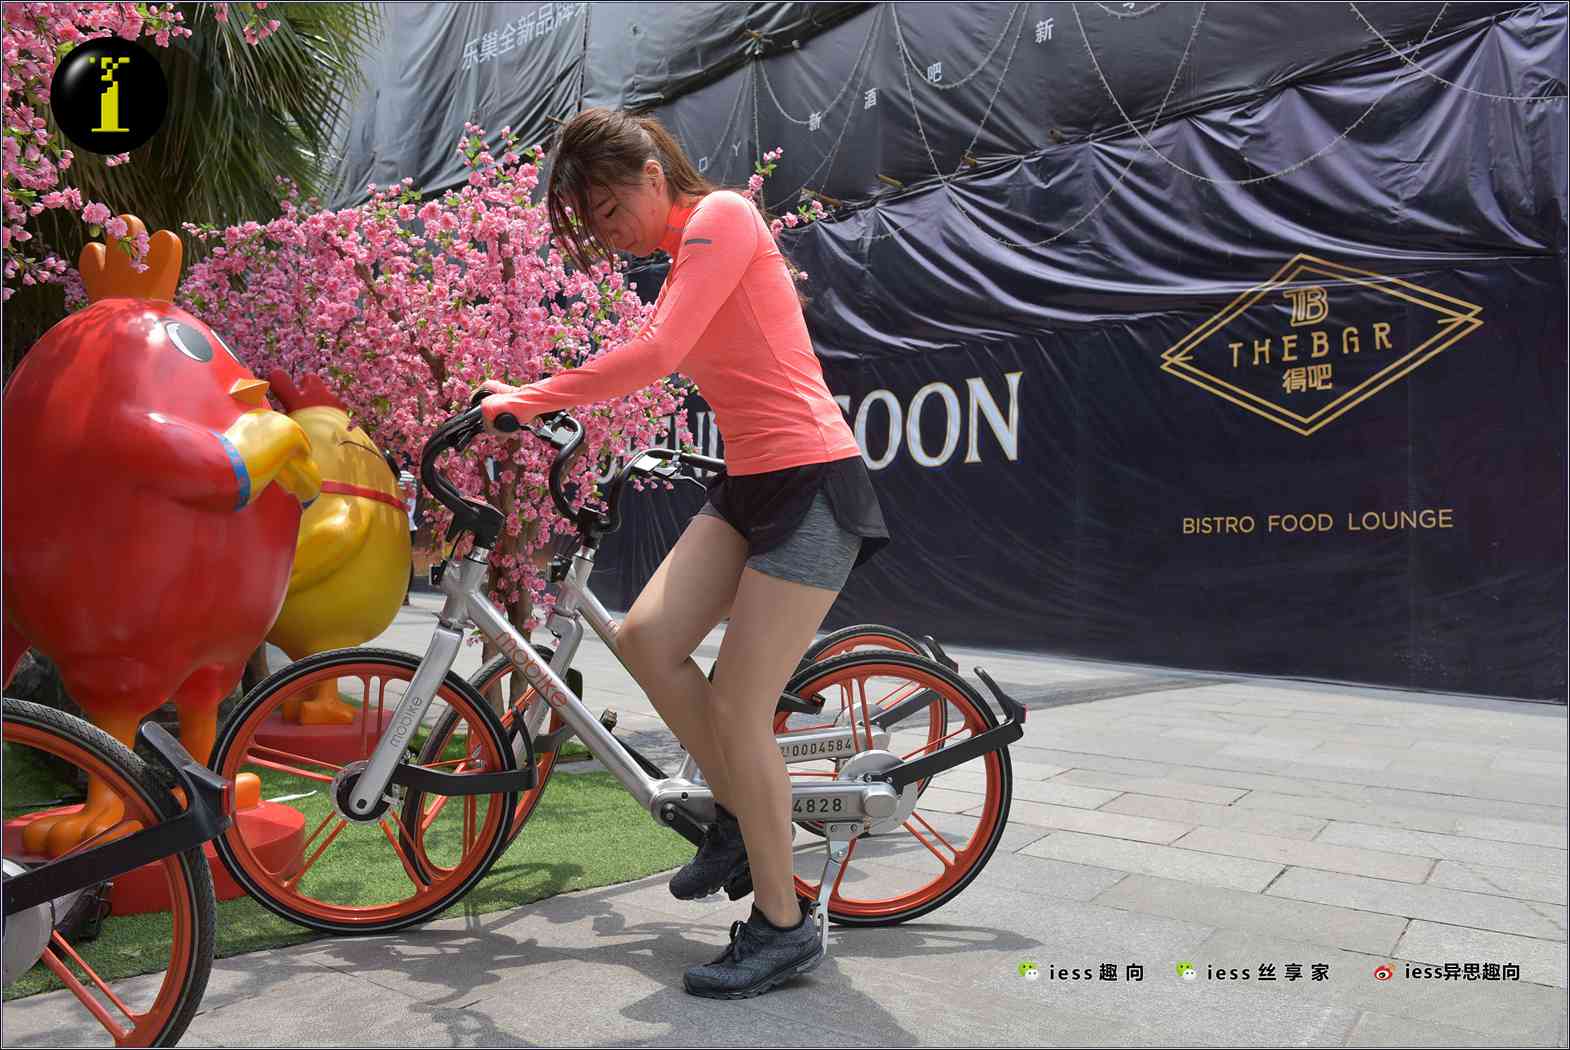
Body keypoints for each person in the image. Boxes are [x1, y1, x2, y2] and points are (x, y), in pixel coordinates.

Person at [478, 107, 889, 999]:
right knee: (645, 640)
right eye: (588, 220)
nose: (604, 230)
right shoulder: (681, 259)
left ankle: (784, 927)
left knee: (740, 709)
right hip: (751, 484)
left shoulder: (723, 217)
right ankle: (741, 815)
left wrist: (529, 397)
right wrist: (540, 400)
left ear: (652, 174)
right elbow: (662, 347)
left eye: (606, 207)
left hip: (813, 483)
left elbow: (657, 353)